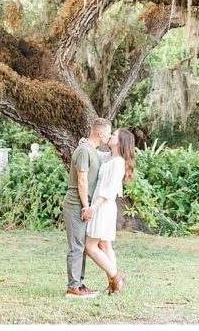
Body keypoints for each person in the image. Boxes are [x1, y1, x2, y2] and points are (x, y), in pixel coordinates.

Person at [80, 128, 136, 295]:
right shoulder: (109, 157)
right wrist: (87, 144)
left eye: (114, 135)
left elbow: (109, 191)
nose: (111, 136)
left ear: (121, 142)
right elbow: (96, 155)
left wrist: (92, 208)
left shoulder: (118, 163)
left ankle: (116, 277)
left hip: (102, 206)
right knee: (104, 245)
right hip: (101, 206)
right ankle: (113, 283)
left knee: (90, 246)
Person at [63, 118, 112, 298]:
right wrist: (86, 207)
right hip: (76, 204)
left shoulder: (92, 150)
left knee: (81, 246)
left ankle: (79, 284)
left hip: (84, 205)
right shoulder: (84, 150)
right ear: (100, 132)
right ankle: (73, 288)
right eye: (108, 133)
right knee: (76, 247)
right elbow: (81, 180)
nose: (109, 136)